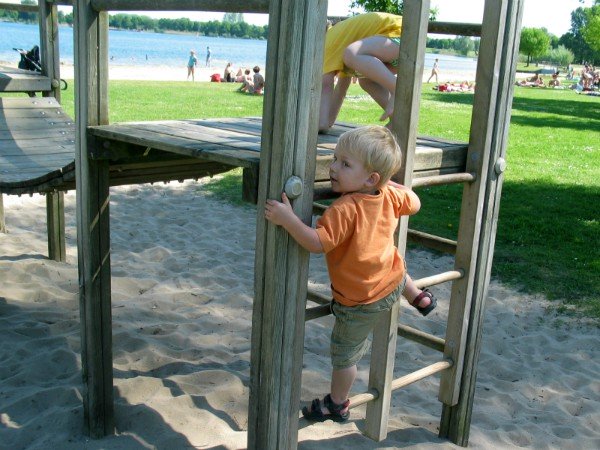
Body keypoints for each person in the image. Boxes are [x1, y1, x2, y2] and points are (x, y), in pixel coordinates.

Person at [264, 126, 437, 423]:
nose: (332, 168)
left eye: (345, 164)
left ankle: (338, 403)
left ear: (371, 178)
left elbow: (317, 243)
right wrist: (389, 184)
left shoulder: (344, 209)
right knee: (394, 260)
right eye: (334, 159)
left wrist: (288, 219)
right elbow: (416, 202)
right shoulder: (387, 195)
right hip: (391, 281)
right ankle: (417, 296)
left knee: (345, 353)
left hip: (360, 301)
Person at [319, 12, 404, 132]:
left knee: (352, 53)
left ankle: (396, 88)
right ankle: (398, 120)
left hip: (401, 35)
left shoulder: (328, 41)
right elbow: (341, 88)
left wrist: (320, 123)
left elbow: (325, 86)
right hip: (398, 49)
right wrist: (327, 121)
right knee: (366, 80)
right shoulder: (341, 40)